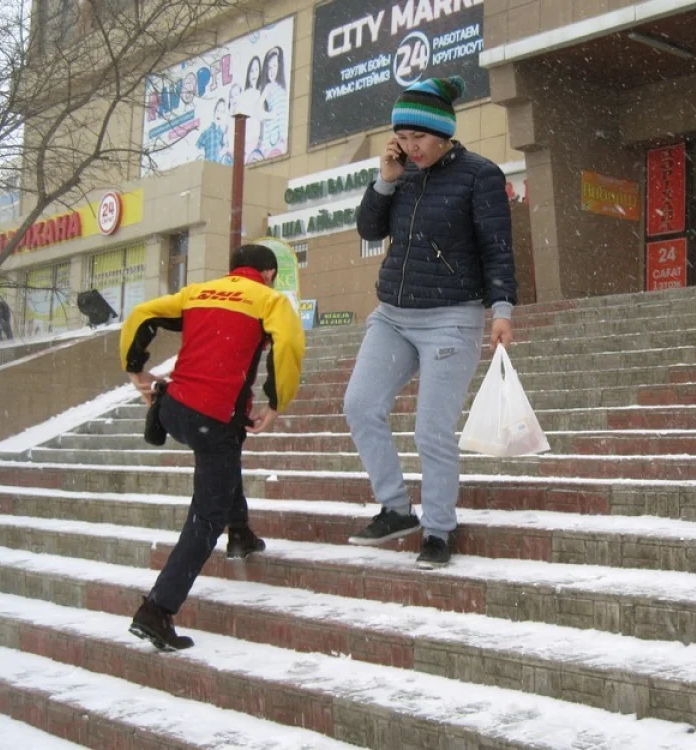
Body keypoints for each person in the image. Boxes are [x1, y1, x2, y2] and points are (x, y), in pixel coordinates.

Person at [345, 75, 517, 570]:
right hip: (393, 317)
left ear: (443, 134)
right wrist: (385, 179)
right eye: (402, 136)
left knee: (432, 431)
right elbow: (369, 229)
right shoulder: (403, 173)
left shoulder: (479, 175)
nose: (410, 146)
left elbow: (496, 249)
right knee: (360, 404)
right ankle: (397, 509)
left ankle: (439, 529)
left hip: (451, 318)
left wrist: (501, 310)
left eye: (419, 137)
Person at [120, 243, 305, 650]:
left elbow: (141, 315)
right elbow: (289, 345)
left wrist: (135, 369)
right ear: (270, 273)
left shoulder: (198, 292)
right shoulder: (269, 300)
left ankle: (239, 532)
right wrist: (277, 400)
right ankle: (157, 610)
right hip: (212, 416)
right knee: (207, 513)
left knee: (225, 447)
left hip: (175, 410)